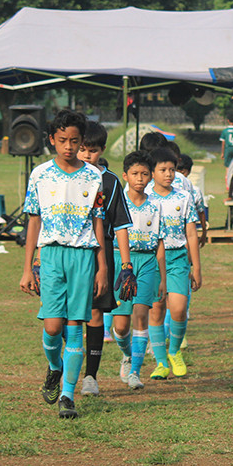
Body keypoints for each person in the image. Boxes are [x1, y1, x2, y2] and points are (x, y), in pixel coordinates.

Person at [19, 109, 107, 419]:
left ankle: (67, 396)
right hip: (52, 255)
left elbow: (98, 223)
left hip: (83, 256)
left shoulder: (94, 177)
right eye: (62, 140)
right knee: (53, 326)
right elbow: (33, 220)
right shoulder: (40, 175)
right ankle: (55, 367)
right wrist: (28, 266)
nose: (68, 147)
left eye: (74, 141)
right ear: (52, 141)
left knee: (75, 326)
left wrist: (103, 267)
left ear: (82, 142)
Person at [74, 121, 136, 396]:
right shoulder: (66, 178)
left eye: (93, 150)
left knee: (96, 312)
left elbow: (121, 224)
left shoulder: (110, 182)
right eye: (82, 149)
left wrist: (126, 264)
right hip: (71, 251)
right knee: (69, 316)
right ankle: (67, 369)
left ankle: (91, 376)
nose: (87, 155)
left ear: (102, 150)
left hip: (102, 252)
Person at [110, 151, 166, 391]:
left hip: (147, 263)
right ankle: (127, 353)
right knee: (121, 326)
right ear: (125, 176)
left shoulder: (156, 206)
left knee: (141, 314)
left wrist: (162, 277)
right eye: (135, 174)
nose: (140, 178)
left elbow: (160, 243)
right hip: (121, 262)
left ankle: (135, 372)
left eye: (145, 174)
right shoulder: (117, 201)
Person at [146, 147, 202, 380]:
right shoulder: (144, 196)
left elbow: (191, 233)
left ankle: (174, 351)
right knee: (156, 309)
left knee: (178, 308)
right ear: (152, 172)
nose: (168, 174)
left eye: (172, 169)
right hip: (152, 260)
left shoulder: (183, 197)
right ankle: (160, 362)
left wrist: (196, 267)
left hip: (177, 258)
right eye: (163, 170)